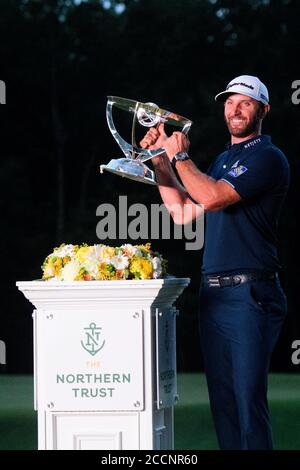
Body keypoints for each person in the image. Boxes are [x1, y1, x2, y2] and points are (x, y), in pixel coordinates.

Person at [140, 75, 290, 450]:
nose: (235, 110)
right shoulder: (224, 159)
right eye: (229, 102)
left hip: (250, 294)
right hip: (216, 297)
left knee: (246, 404)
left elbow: (213, 196)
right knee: (223, 407)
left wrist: (180, 156)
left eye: (245, 103)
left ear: (263, 110)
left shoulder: (268, 158)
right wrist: (159, 159)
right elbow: (182, 212)